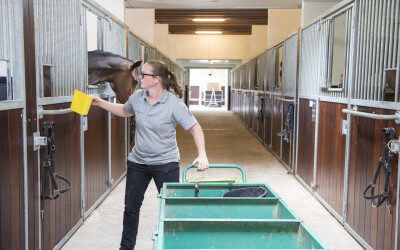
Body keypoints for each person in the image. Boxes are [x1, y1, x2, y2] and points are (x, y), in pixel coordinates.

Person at [91, 60, 210, 250]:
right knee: (131, 209)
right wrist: (100, 102)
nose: (139, 77)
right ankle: (126, 247)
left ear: (156, 79)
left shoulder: (174, 104)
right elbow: (124, 111)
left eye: (143, 74)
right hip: (138, 162)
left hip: (165, 163)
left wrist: (202, 155)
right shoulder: (138, 97)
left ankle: (174, 245)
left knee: (171, 208)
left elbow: (195, 128)